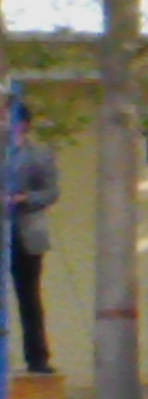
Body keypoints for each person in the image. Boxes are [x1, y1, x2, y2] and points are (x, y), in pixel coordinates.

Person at [8, 102, 60, 374]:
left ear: (23, 124)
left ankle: (37, 358)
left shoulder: (39, 154)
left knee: (29, 296)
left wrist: (25, 198)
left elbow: (51, 192)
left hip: (26, 231)